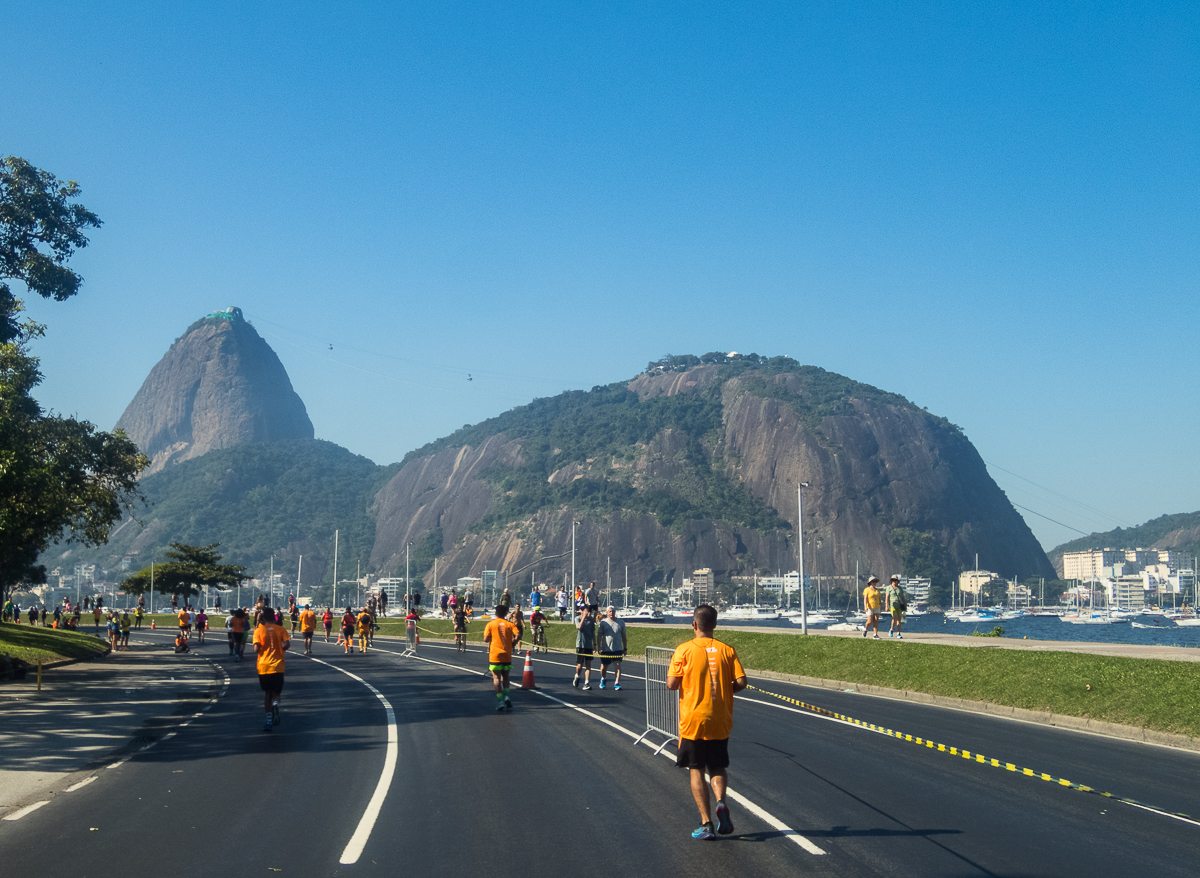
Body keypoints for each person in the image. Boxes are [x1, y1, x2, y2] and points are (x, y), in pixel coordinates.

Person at [666, 604, 747, 840]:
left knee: (696, 769)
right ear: (715, 625)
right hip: (720, 719)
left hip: (693, 720)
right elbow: (741, 682)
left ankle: (706, 822)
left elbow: (671, 683)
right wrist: (725, 691)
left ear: (694, 625)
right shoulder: (726, 650)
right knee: (718, 766)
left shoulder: (684, 650)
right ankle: (721, 802)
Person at [253, 604, 290, 731]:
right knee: (277, 693)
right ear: (274, 617)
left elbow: (256, 649)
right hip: (278, 666)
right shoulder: (281, 629)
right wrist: (281, 650)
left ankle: (268, 721)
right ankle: (276, 705)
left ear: (263, 619)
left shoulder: (258, 630)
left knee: (267, 693)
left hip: (264, 666)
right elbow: (287, 644)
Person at [483, 604, 516, 711]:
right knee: (506, 677)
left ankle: (500, 701)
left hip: (495, 655)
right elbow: (518, 634)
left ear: (496, 613)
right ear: (506, 613)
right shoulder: (510, 624)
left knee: (496, 678)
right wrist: (513, 644)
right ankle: (507, 696)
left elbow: (486, 639)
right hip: (507, 654)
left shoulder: (491, 624)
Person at [598, 606, 627, 690]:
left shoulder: (621, 622)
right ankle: (603, 678)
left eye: (613, 611)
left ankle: (617, 682)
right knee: (604, 666)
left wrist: (625, 648)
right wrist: (599, 646)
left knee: (617, 665)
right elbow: (599, 635)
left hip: (617, 648)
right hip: (606, 648)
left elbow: (624, 636)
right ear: (607, 613)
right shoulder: (603, 622)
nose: (611, 613)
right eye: (610, 611)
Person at [573, 607, 596, 690]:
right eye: (585, 611)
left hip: (588, 645)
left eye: (588, 611)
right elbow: (579, 627)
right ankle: (577, 676)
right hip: (580, 645)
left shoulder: (591, 620)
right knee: (580, 665)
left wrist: (595, 643)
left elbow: (593, 632)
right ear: (581, 611)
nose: (587, 612)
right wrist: (583, 617)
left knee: (588, 665)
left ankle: (586, 683)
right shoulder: (577, 618)